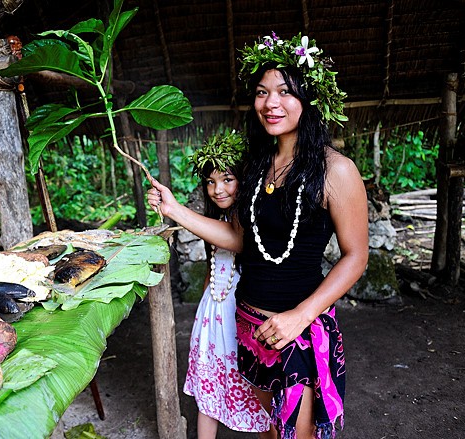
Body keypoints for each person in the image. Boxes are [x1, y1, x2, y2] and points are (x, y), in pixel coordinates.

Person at [148, 32, 368, 439]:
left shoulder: (336, 171)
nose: (271, 103)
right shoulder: (257, 165)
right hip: (249, 326)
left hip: (299, 330)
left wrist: (299, 317)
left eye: (285, 92)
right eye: (262, 92)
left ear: (309, 99)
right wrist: (175, 209)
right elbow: (239, 238)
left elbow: (356, 256)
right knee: (270, 432)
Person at [181, 131, 271, 438]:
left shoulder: (247, 219)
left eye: (227, 179)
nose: (217, 189)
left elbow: (239, 244)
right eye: (210, 182)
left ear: (243, 179)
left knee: (258, 388)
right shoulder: (217, 217)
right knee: (209, 384)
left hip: (243, 313)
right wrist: (204, 311)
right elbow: (212, 266)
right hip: (213, 312)